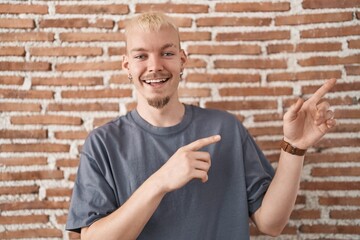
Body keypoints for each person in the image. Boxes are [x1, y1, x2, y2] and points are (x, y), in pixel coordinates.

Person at [66, 12, 337, 240]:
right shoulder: (102, 143)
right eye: (141, 56)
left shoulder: (226, 129)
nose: (155, 66)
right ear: (126, 66)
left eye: (167, 53)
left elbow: (271, 224)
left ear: (182, 59)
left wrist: (295, 148)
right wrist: (160, 181)